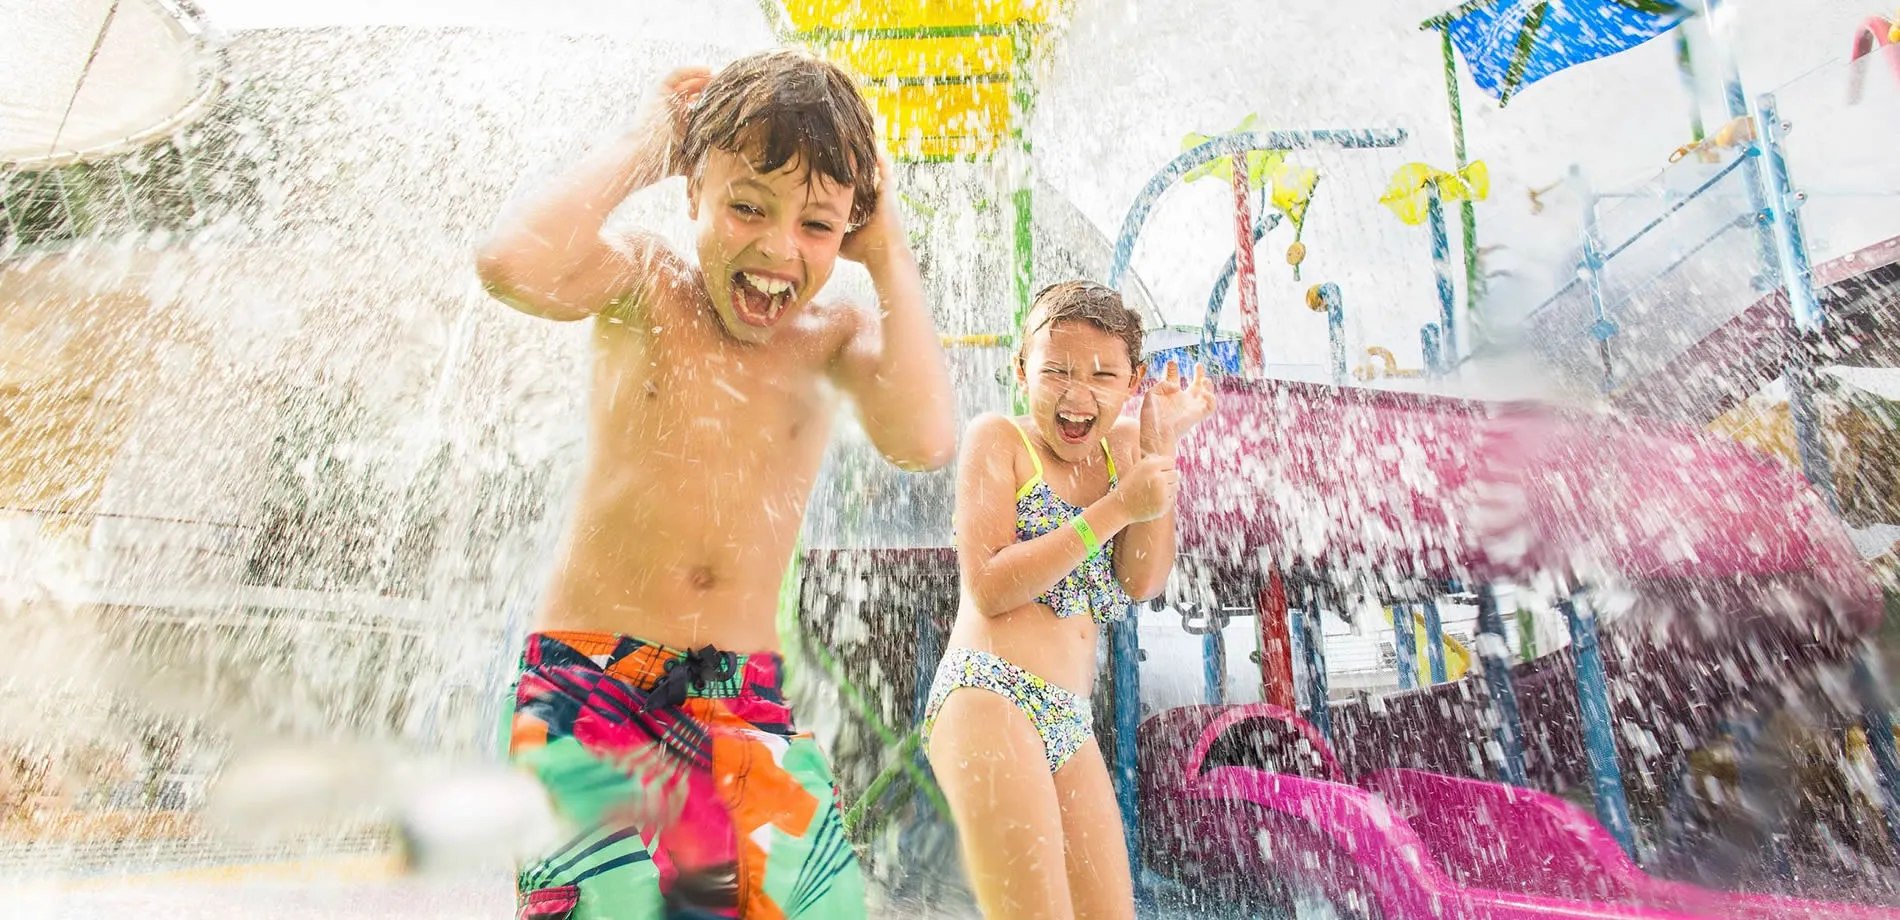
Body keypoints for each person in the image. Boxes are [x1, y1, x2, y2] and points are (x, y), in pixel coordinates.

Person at [475, 50, 955, 920]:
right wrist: (644, 145)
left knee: (816, 907)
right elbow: (509, 263)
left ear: (852, 223)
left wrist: (888, 257)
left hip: (740, 696)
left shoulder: (833, 333)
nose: (777, 249)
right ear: (692, 191)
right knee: (608, 906)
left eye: (818, 224)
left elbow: (923, 440)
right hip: (590, 680)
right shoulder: (647, 285)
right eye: (745, 206)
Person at [922, 281, 1216, 919]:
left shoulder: (1128, 450)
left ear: (1133, 379)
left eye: (1103, 374)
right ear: (1022, 370)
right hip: (986, 695)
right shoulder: (999, 439)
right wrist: (1114, 509)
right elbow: (991, 586)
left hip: (1067, 717)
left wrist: (1160, 450)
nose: (1077, 394)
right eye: (1055, 370)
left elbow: (1143, 582)